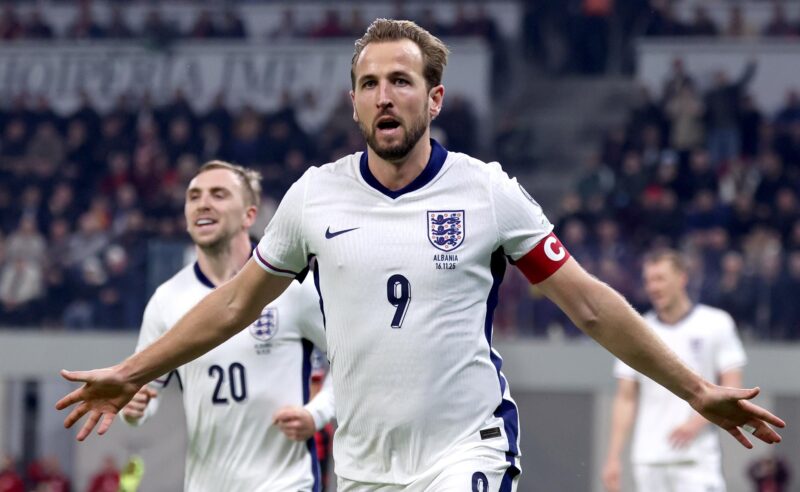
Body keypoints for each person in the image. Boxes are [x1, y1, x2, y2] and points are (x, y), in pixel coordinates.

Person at [56, 19, 784, 492]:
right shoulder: (315, 199)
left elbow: (590, 303)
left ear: (434, 99)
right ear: (352, 102)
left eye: (400, 81)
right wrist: (130, 371)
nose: (384, 95)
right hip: (366, 465)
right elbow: (231, 306)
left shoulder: (489, 192)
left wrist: (694, 389)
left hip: (466, 449)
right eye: (369, 83)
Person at [120, 161, 334, 492]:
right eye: (194, 196)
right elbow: (142, 395)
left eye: (218, 194)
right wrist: (134, 409)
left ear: (250, 215)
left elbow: (351, 361)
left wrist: (316, 414)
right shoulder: (167, 301)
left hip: (286, 483)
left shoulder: (291, 286)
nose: (203, 203)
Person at [602, 249, 747, 492]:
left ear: (682, 279)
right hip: (648, 459)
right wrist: (613, 457)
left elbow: (732, 387)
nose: (653, 287)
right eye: (648, 280)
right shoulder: (636, 330)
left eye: (660, 279)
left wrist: (696, 422)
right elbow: (625, 397)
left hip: (697, 459)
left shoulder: (717, 323)